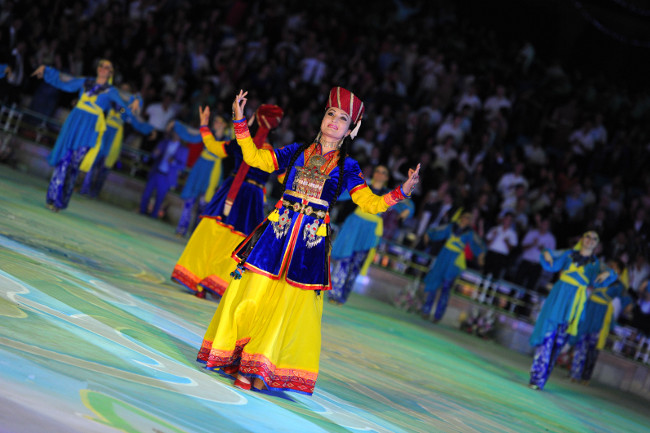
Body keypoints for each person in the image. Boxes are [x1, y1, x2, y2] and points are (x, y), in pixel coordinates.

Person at [197, 88, 419, 394]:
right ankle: (239, 358)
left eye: (343, 119)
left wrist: (401, 192)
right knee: (253, 296)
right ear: (323, 118)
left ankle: (261, 366)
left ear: (351, 129)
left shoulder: (348, 167)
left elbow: (369, 203)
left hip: (309, 243)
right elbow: (254, 157)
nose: (334, 122)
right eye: (331, 114)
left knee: (288, 307)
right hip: (277, 234)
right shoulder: (297, 151)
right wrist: (239, 120)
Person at [171, 103, 284, 297]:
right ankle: (217, 282)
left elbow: (214, 147)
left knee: (211, 233)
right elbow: (287, 179)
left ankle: (196, 277)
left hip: (231, 190)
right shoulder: (275, 154)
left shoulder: (241, 143)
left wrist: (205, 126)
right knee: (236, 242)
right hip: (252, 198)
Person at [31, 61, 139, 211]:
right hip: (75, 122)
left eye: (107, 67)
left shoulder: (111, 91)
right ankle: (52, 198)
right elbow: (65, 85)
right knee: (64, 160)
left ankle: (60, 202)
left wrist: (133, 103)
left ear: (110, 73)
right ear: (97, 69)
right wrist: (47, 70)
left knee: (74, 164)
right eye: (101, 66)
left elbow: (121, 110)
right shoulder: (85, 81)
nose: (103, 69)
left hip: (90, 128)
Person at [528, 231, 617, 390]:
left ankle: (543, 378)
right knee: (548, 335)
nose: (590, 240)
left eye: (594, 239)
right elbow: (551, 259)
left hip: (575, 303)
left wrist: (606, 273)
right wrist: (547, 255)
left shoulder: (596, 263)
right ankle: (536, 377)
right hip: (559, 296)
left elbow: (609, 274)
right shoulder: (568, 254)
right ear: (582, 239)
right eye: (588, 237)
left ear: (596, 244)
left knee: (559, 342)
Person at [328, 165, 393, 305]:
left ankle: (342, 296)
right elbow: (341, 193)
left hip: (370, 230)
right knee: (345, 259)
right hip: (355, 224)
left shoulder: (388, 194)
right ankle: (334, 293)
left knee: (356, 264)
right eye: (378, 171)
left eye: (384, 172)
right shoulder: (362, 187)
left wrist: (407, 210)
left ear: (387, 178)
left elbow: (405, 205)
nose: (380, 174)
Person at [79, 95, 155, 198]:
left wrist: (151, 130)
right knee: (93, 163)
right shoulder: (110, 103)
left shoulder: (124, 110)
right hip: (102, 134)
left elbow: (136, 122)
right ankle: (84, 189)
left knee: (104, 167)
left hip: (113, 139)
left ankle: (94, 192)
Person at [570, 259, 628, 385]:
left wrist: (629, 307)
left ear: (620, 272)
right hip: (590, 308)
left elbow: (627, 301)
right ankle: (575, 373)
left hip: (602, 313)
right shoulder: (600, 275)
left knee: (593, 346)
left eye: (616, 267)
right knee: (581, 341)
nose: (612, 267)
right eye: (611, 265)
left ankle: (586, 377)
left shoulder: (619, 286)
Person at [170, 115, 230, 237]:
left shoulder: (227, 140)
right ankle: (181, 228)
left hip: (213, 170)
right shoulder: (208, 134)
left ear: (224, 125)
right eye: (215, 121)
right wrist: (177, 125)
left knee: (204, 205)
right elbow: (191, 136)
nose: (215, 123)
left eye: (219, 121)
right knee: (189, 200)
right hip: (200, 167)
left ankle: (195, 234)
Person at [420, 210, 485, 322]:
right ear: (461, 218)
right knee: (434, 282)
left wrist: (480, 256)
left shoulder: (469, 232)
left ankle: (438, 316)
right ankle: (426, 310)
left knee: (446, 287)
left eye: (468, 219)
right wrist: (428, 233)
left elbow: (479, 244)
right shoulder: (451, 227)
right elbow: (438, 230)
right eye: (465, 217)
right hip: (444, 256)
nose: (466, 220)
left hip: (454, 260)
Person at [138, 129, 188, 218]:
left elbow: (182, 166)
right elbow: (153, 155)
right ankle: (142, 212)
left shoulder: (183, 150)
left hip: (166, 177)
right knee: (146, 193)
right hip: (156, 172)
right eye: (175, 132)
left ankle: (153, 216)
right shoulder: (164, 142)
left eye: (179, 133)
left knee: (159, 198)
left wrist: (173, 162)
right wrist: (155, 153)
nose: (176, 134)